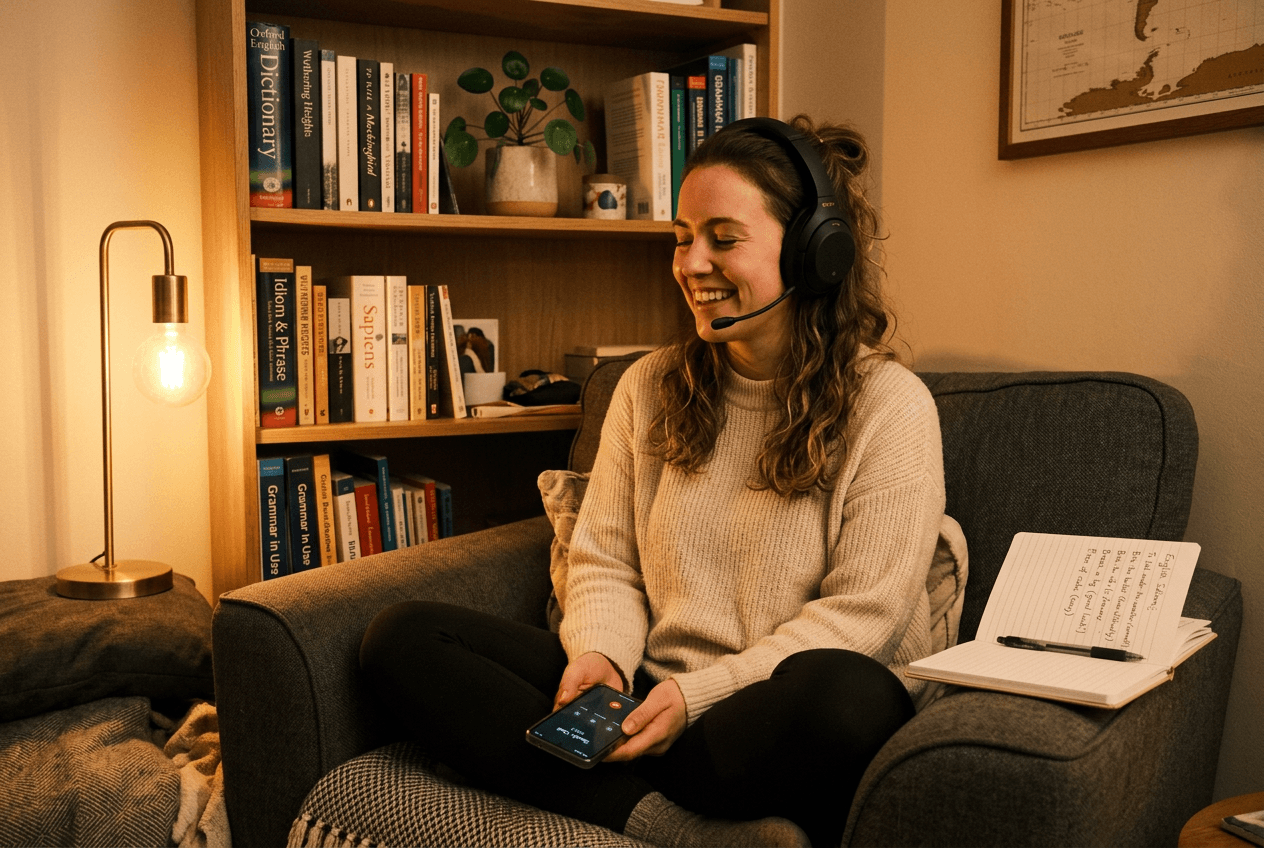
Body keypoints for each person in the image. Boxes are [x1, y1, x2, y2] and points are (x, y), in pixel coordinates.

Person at [359, 114, 946, 848]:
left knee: (849, 696)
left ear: (813, 250)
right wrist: (598, 659)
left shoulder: (890, 406)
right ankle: (672, 827)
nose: (691, 263)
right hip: (642, 687)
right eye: (681, 237)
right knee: (404, 637)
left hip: (753, 714)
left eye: (723, 238)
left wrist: (693, 699)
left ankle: (598, 785)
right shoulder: (649, 386)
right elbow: (605, 557)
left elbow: (864, 619)